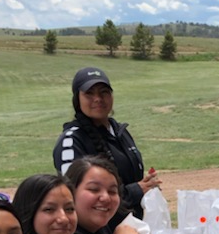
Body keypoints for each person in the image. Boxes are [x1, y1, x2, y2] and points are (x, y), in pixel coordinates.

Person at [52, 66, 160, 215]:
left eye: (104, 92)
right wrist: (136, 190)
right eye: (89, 93)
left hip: (131, 227)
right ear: (77, 99)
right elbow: (74, 197)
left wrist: (147, 185)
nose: (98, 99)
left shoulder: (119, 131)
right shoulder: (72, 140)